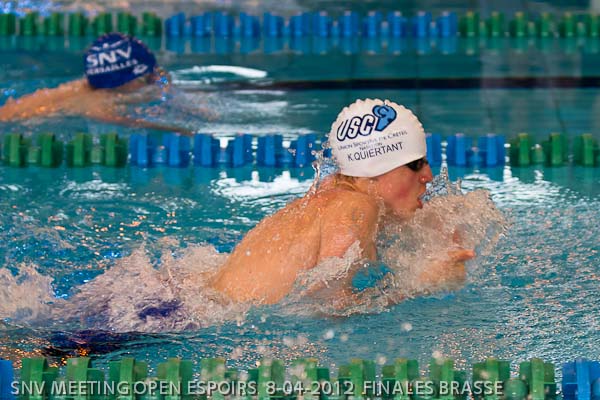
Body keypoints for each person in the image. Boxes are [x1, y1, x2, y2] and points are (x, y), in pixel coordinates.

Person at [209, 98, 475, 306]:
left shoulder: (332, 197)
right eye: (416, 164)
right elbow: (326, 306)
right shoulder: (357, 207)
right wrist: (423, 283)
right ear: (376, 168)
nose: (428, 176)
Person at [0, 33, 197, 134]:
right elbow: (124, 121)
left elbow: (159, 76)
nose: (149, 82)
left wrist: (164, 84)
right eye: (144, 78)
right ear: (123, 81)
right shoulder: (96, 102)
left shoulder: (89, 84)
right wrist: (178, 130)